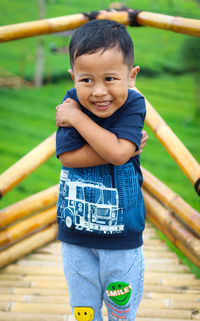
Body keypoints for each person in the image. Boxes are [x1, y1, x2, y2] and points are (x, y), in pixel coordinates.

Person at [56, 19, 148, 321]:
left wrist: (80, 121)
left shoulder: (133, 105)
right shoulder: (70, 103)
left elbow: (120, 154)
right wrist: (123, 148)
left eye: (110, 78)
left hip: (122, 237)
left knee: (121, 312)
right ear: (73, 77)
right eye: (86, 80)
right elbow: (68, 156)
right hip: (76, 235)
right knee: (84, 310)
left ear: (131, 76)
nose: (98, 92)